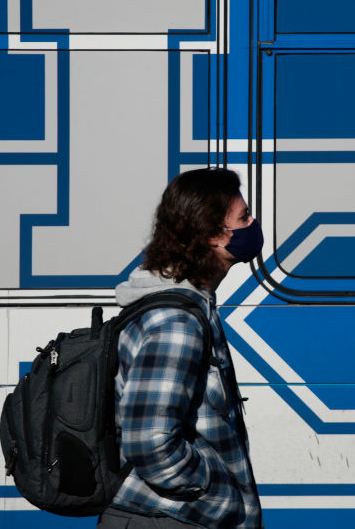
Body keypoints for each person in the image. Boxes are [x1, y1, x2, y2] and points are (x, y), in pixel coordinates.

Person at [100, 167, 264, 529]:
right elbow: (149, 444)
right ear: (214, 236)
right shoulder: (176, 323)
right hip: (169, 518)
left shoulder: (191, 307)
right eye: (244, 217)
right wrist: (217, 493)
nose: (254, 224)